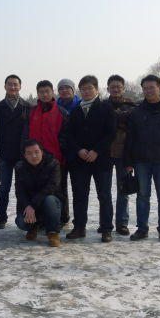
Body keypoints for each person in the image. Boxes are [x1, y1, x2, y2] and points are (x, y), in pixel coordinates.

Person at [124, 74, 160, 245]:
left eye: (152, 87)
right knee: (142, 196)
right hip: (141, 161)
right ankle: (142, 229)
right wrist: (128, 162)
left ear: (159, 88)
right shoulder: (137, 112)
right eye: (145, 88)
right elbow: (130, 138)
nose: (148, 91)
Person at [65, 75, 117, 242]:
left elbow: (111, 133)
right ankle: (79, 227)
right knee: (80, 195)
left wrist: (96, 151)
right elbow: (69, 134)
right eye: (83, 89)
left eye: (90, 88)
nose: (86, 91)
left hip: (102, 160)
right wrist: (79, 150)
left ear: (96, 89)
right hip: (79, 161)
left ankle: (106, 229)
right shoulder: (75, 111)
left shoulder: (106, 109)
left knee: (104, 195)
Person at [22, 80, 69, 227]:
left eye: (47, 91)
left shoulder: (60, 111)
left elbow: (66, 134)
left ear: (52, 92)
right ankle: (40, 219)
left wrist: (60, 147)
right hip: (34, 159)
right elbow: (25, 135)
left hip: (56, 158)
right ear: (37, 93)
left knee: (60, 189)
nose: (45, 94)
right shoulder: (32, 112)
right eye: (41, 92)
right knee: (37, 188)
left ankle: (63, 219)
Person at [0, 74, 30, 229]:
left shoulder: (28, 107)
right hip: (5, 152)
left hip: (23, 153)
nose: (12, 87)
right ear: (5, 87)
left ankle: (20, 217)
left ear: (20, 87)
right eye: (10, 84)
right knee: (4, 187)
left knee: (22, 187)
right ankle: (1, 218)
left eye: (15, 84)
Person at [14, 139, 63, 247]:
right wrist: (27, 207)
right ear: (25, 155)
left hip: (49, 204)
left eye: (36, 152)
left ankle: (52, 232)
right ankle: (33, 227)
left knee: (50, 200)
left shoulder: (53, 163)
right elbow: (19, 190)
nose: (34, 156)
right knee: (22, 223)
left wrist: (33, 205)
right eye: (29, 153)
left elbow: (51, 187)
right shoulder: (19, 166)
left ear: (41, 151)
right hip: (29, 203)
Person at [106, 75, 137, 236]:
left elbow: (131, 122)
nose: (115, 89)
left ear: (123, 88)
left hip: (124, 154)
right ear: (107, 89)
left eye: (118, 86)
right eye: (112, 87)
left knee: (123, 190)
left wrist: (109, 117)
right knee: (104, 192)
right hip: (104, 153)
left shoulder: (131, 105)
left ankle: (122, 223)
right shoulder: (102, 105)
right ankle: (105, 223)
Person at [55, 78, 81, 229]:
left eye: (67, 88)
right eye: (61, 88)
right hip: (61, 154)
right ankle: (63, 218)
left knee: (78, 190)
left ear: (73, 89)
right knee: (60, 189)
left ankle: (80, 222)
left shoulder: (81, 105)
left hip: (77, 154)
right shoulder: (55, 107)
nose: (64, 91)